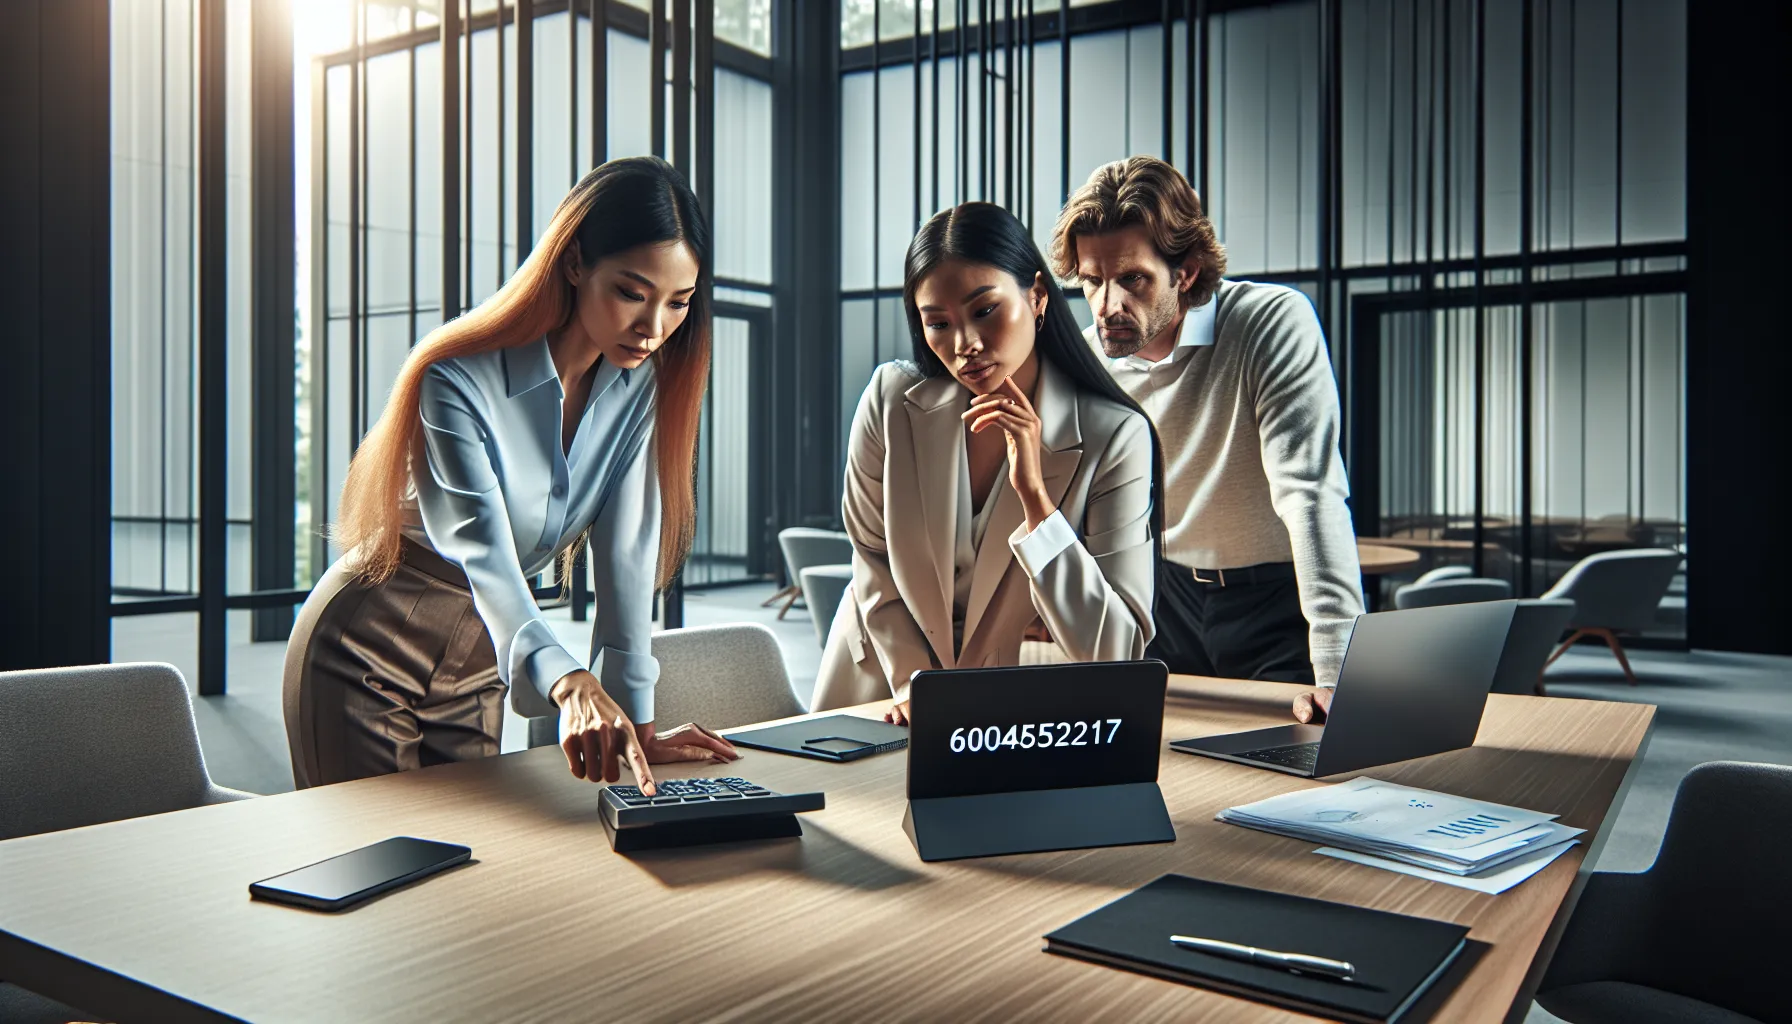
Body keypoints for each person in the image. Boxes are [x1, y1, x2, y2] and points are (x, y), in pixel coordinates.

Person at [284, 157, 737, 791]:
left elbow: (627, 562)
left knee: (475, 875)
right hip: (368, 644)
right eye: (633, 293)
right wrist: (567, 679)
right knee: (378, 871)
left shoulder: (643, 393)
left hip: (481, 657)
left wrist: (635, 723)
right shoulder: (455, 380)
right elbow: (485, 552)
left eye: (678, 303)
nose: (654, 327)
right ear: (575, 263)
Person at [812, 202, 1165, 724]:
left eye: (984, 311)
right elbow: (872, 557)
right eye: (939, 323)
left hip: (1012, 711)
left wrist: (1037, 506)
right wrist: (916, 684)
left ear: (1038, 296)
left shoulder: (1115, 436)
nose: (966, 345)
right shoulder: (891, 399)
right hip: (879, 689)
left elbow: (1115, 651)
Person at [1051, 156, 1364, 725]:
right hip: (1161, 597)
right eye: (1092, 282)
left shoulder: (1269, 323)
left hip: (1273, 600)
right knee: (1158, 767)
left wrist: (1338, 669)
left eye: (1132, 280)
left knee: (1299, 766)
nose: (1106, 306)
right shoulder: (1087, 358)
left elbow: (1310, 493)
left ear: (1187, 272)